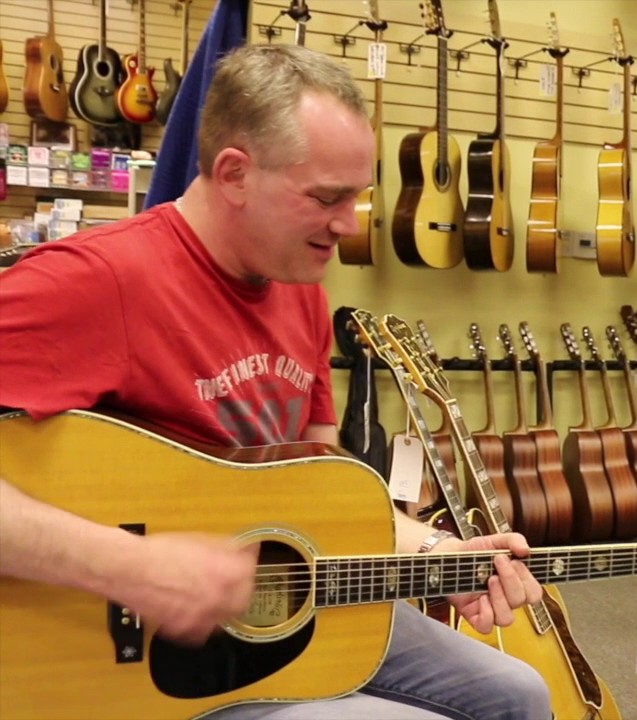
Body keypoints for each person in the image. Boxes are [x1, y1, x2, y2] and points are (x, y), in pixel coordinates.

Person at [0, 44, 552, 720]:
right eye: (326, 198)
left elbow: (324, 491)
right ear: (234, 173)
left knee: (520, 696)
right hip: (129, 661)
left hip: (283, 611)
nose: (348, 227)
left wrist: (436, 550)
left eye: (357, 198)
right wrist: (131, 567)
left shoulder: (299, 281)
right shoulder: (93, 281)